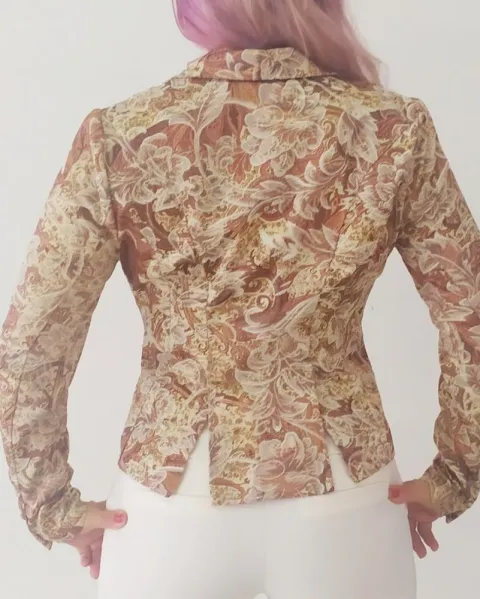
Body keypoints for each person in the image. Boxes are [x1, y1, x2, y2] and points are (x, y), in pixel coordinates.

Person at [0, 0, 479, 597]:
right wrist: (455, 474)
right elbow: (471, 313)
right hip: (344, 495)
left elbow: (34, 338)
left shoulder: (122, 134)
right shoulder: (391, 128)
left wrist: (51, 504)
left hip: (171, 499)